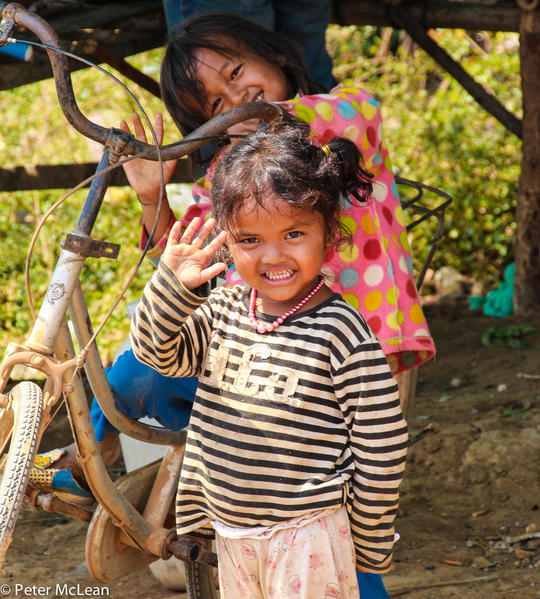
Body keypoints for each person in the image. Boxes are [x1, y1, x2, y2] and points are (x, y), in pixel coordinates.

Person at [130, 118, 409, 598]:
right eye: (250, 240)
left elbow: (381, 450)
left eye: (294, 234)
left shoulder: (341, 333)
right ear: (228, 240)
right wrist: (169, 286)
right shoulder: (224, 311)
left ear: (329, 234)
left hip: (310, 536)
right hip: (232, 533)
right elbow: (157, 352)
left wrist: (367, 542)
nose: (272, 256)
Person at [161, 0, 336, 91]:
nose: (236, 99)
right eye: (217, 104)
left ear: (275, 54)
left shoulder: (343, 109)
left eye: (235, 73)